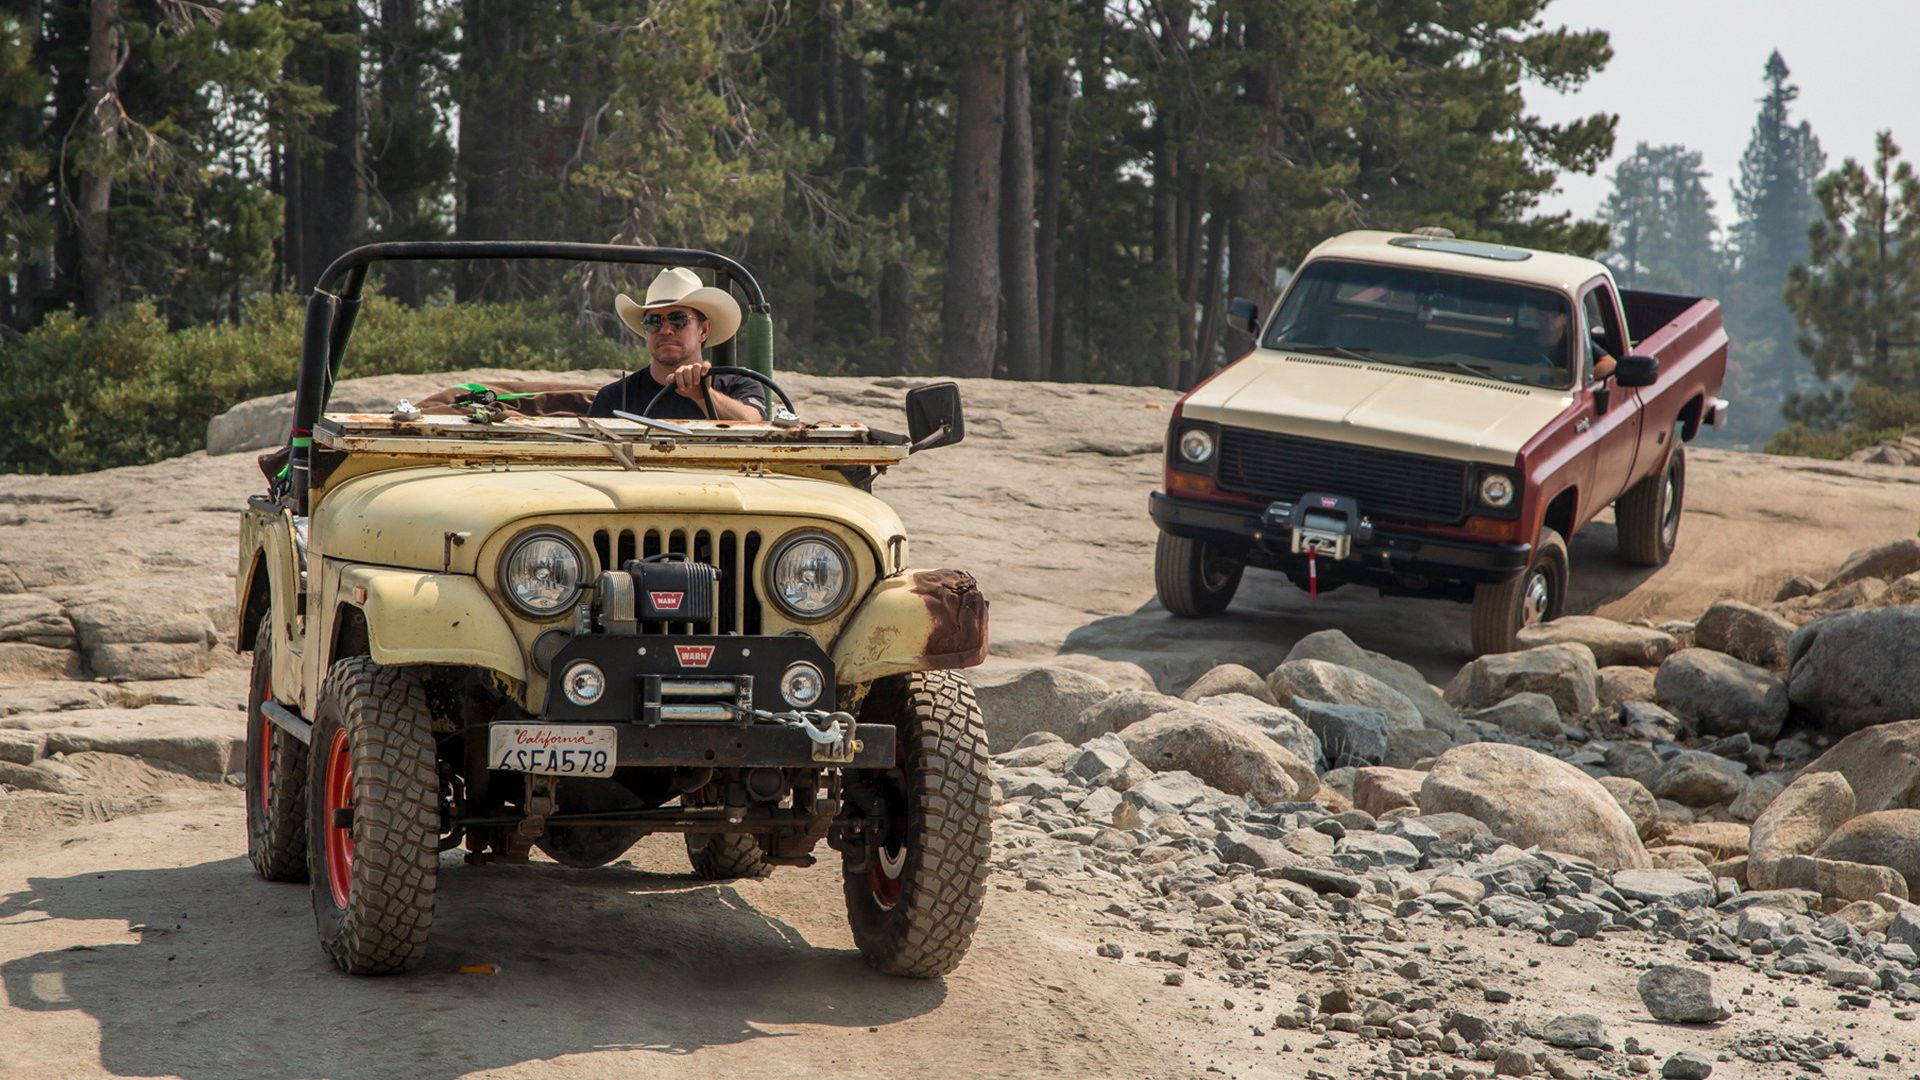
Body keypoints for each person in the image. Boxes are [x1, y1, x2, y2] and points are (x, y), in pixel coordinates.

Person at [588, 266, 768, 421]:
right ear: (646, 331)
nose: (665, 330)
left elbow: (755, 424)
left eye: (678, 319)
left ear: (704, 330)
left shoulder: (739, 385)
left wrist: (704, 396)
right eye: (653, 321)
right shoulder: (615, 399)